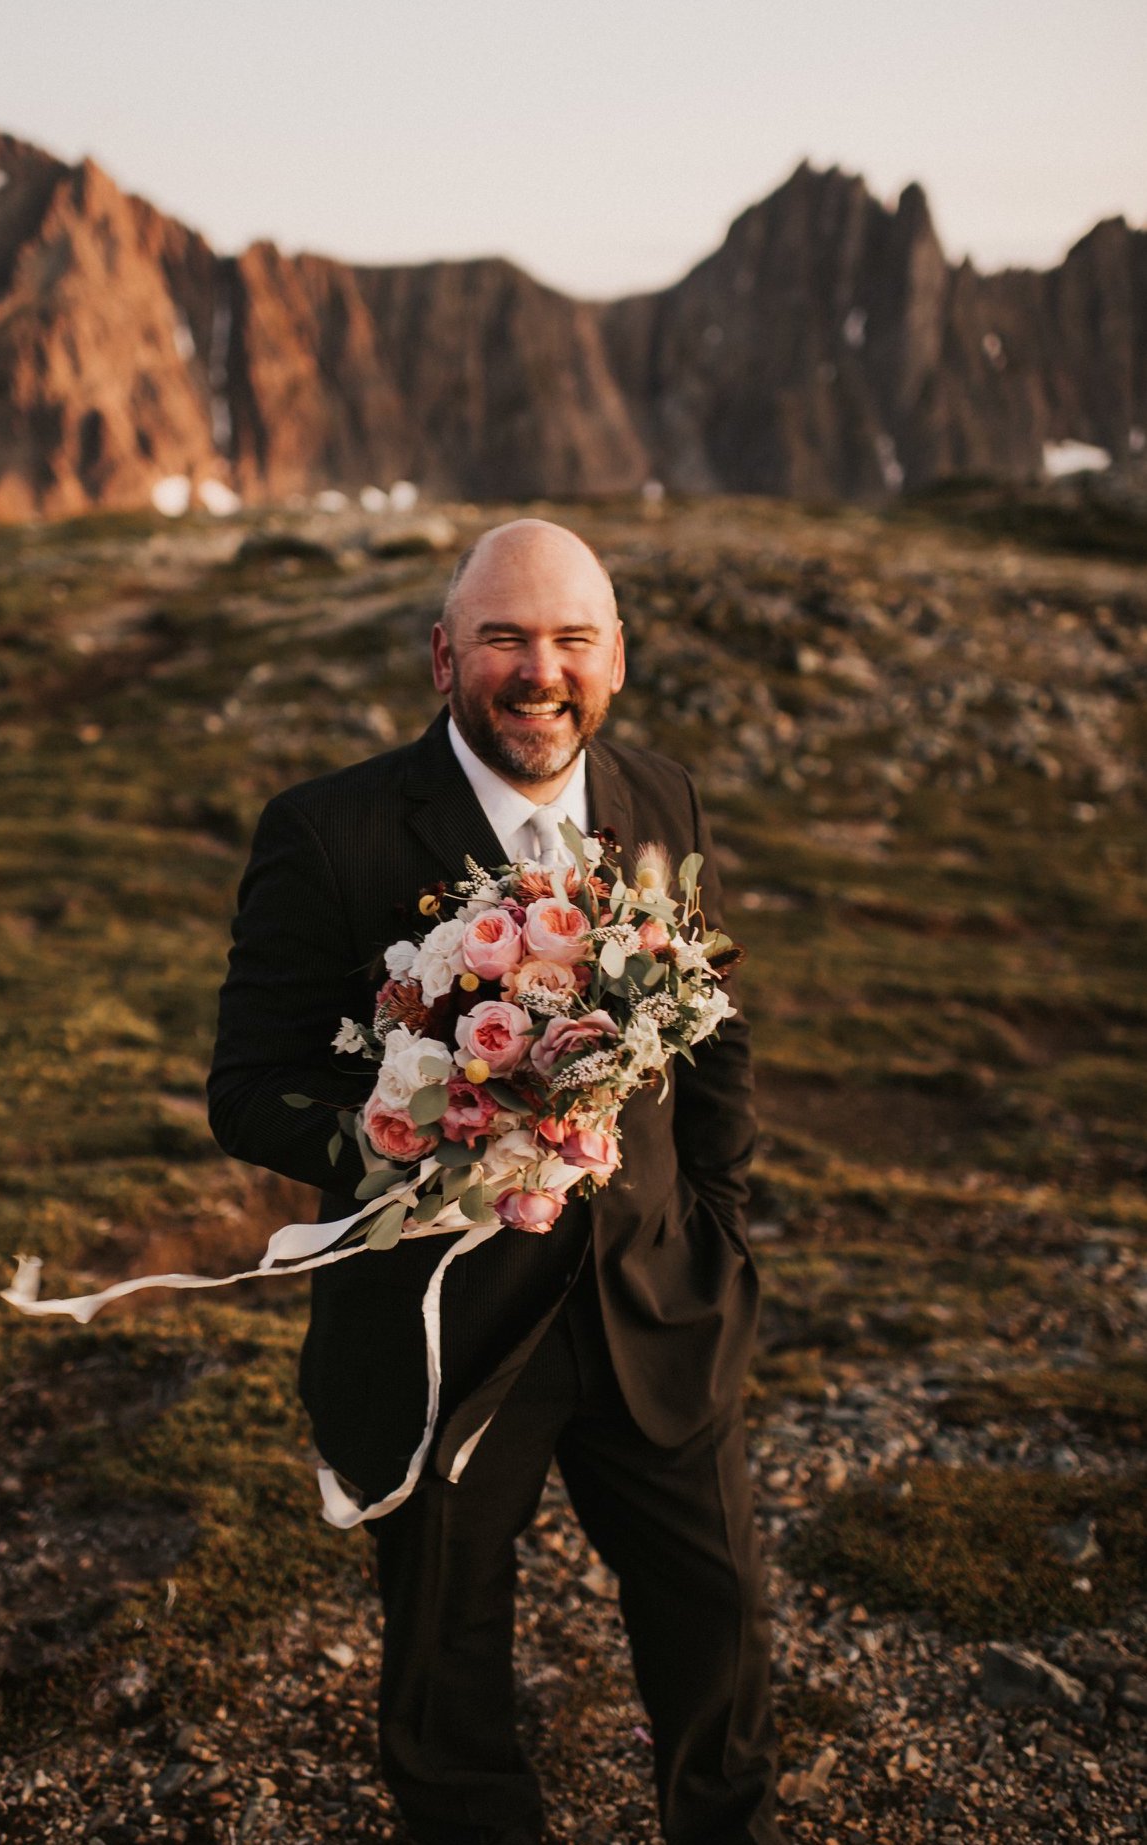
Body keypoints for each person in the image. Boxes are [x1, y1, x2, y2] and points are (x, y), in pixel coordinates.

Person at [207, 519, 783, 1845]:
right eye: (505, 640)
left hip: (657, 1305)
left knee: (722, 1636)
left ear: (616, 658)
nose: (540, 671)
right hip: (443, 1335)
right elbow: (248, 1087)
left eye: (572, 640)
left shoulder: (661, 799)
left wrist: (726, 1244)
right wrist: (427, 1131)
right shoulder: (329, 833)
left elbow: (718, 1040)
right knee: (447, 1686)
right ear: (442, 656)